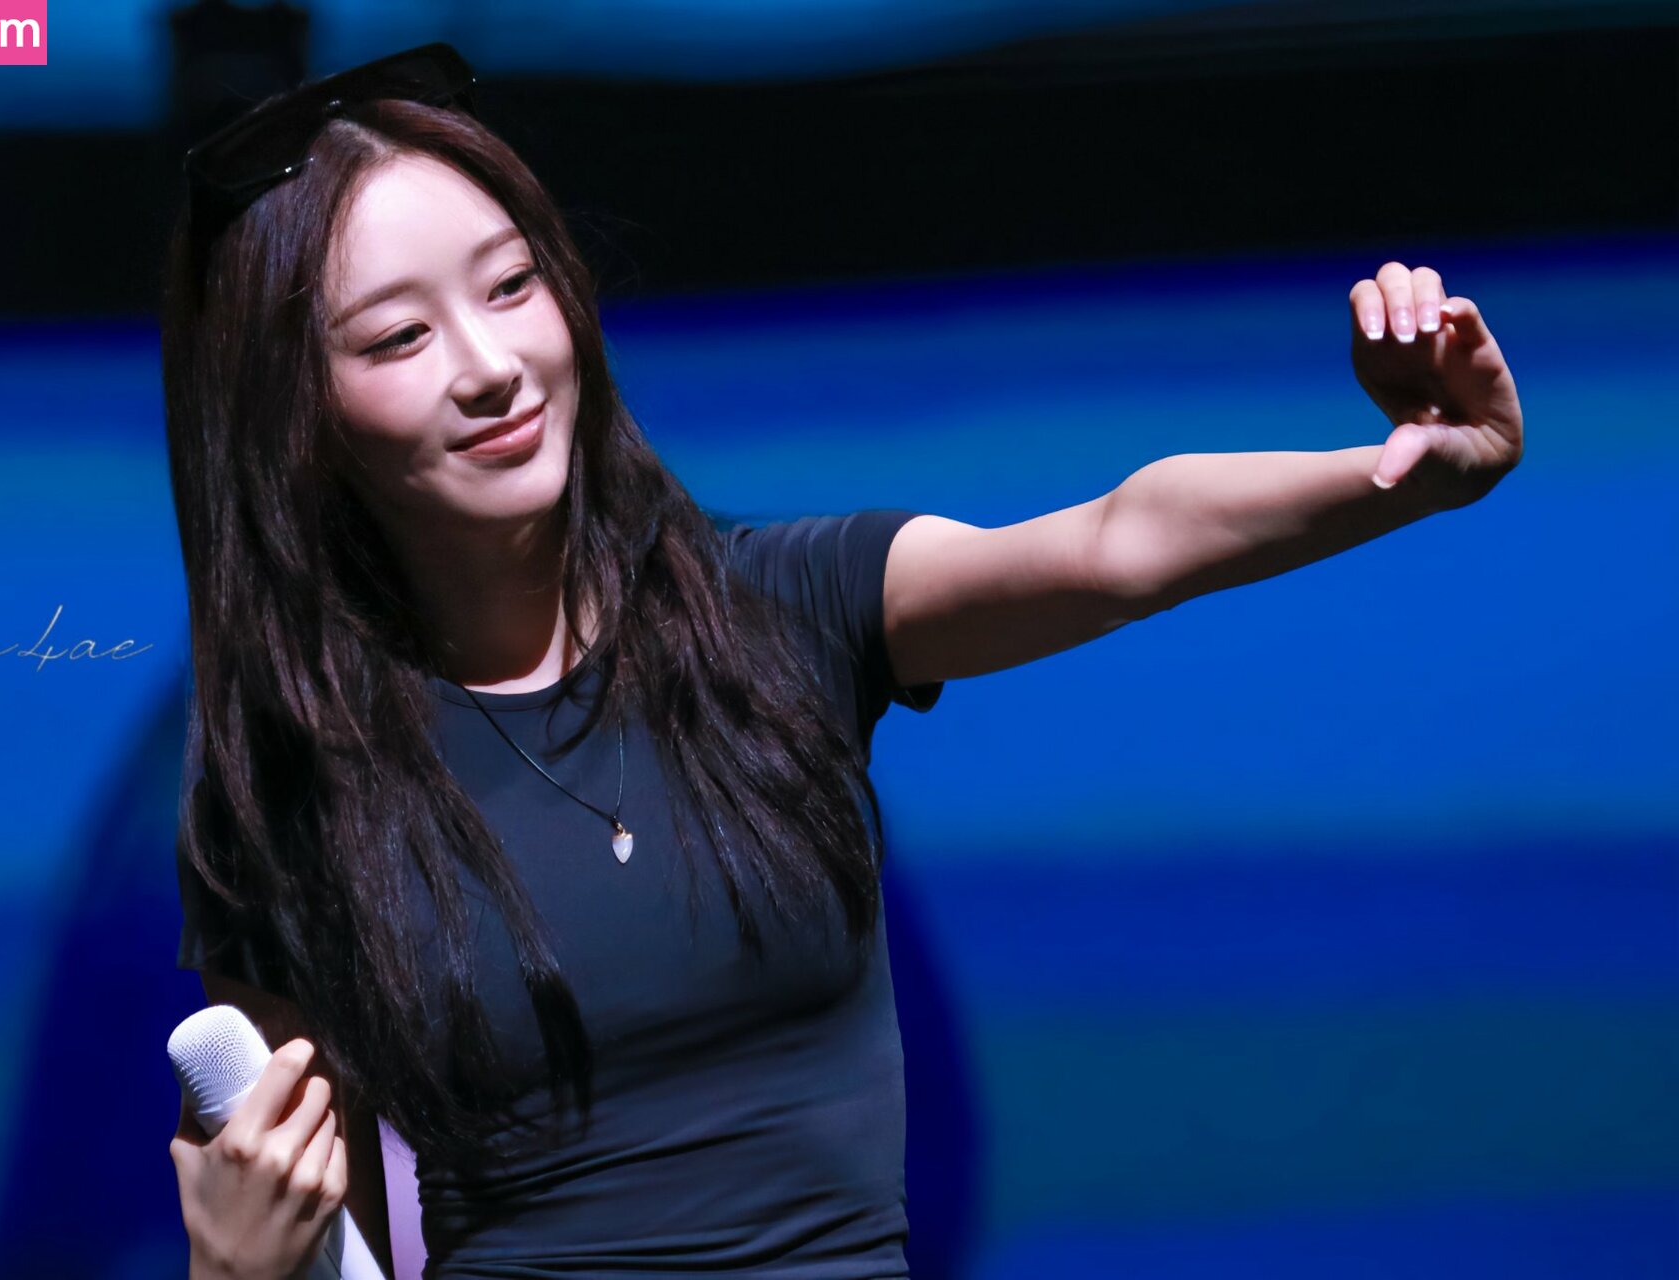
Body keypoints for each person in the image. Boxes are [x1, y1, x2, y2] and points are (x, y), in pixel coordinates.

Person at [160, 42, 1524, 1280]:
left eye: (512, 286)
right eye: (399, 336)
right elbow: (332, 1243)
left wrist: (1405, 472)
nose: (491, 364)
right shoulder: (288, 781)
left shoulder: (782, 607)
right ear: (297, 414)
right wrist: (232, 1277)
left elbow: (1121, 540)